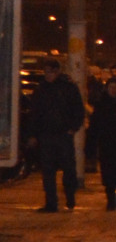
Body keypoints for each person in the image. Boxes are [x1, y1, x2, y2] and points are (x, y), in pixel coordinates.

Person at [31, 57, 85, 211]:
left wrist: (72, 128)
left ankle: (70, 198)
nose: (48, 75)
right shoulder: (41, 89)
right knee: (48, 171)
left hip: (63, 134)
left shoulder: (68, 87)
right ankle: (51, 203)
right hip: (47, 135)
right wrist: (34, 134)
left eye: (51, 72)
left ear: (57, 71)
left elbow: (78, 110)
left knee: (68, 169)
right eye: (46, 72)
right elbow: (35, 113)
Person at [85, 71, 116, 209]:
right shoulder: (101, 105)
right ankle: (111, 200)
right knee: (108, 174)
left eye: (115, 87)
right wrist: (90, 148)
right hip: (107, 145)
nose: (113, 90)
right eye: (111, 87)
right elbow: (94, 127)